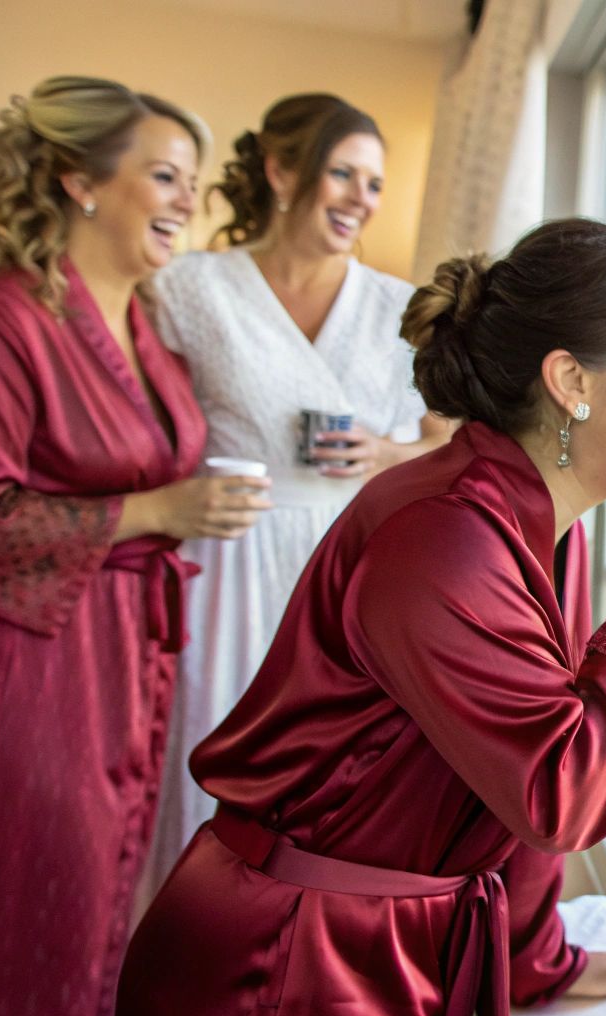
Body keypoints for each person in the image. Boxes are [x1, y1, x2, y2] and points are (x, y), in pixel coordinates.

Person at [118, 217, 606, 1016]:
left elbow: (502, 796)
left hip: (385, 941)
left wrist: (534, 963)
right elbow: (557, 792)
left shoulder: (547, 527)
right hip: (284, 962)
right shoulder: (442, 539)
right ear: (573, 382)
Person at [0, 76, 267, 1016]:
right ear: (77, 182)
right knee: (26, 908)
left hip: (128, 657)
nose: (188, 201)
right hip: (30, 670)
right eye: (167, 176)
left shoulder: (148, 329)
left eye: (195, 182)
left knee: (100, 902)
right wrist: (155, 509)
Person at [139, 93, 453, 908]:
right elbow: (133, 418)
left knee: (330, 795)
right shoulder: (190, 288)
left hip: (352, 571)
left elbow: (461, 446)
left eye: (374, 183)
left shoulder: (397, 307)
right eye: (342, 173)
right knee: (206, 761)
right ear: (282, 171)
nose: (361, 198)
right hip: (227, 557)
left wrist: (389, 453)